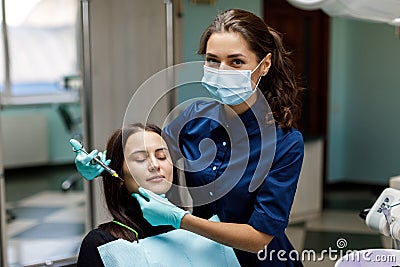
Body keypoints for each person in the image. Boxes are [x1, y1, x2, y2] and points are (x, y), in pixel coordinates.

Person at [77, 9, 304, 266]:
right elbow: (154, 159)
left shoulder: (285, 143)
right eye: (213, 60)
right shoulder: (194, 118)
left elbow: (259, 238)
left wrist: (179, 219)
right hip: (205, 254)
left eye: (236, 62)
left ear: (264, 65)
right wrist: (105, 166)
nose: (222, 70)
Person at [76, 123, 176, 267]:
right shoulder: (101, 243)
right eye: (141, 159)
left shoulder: (194, 226)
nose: (155, 165)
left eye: (162, 156)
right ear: (118, 175)